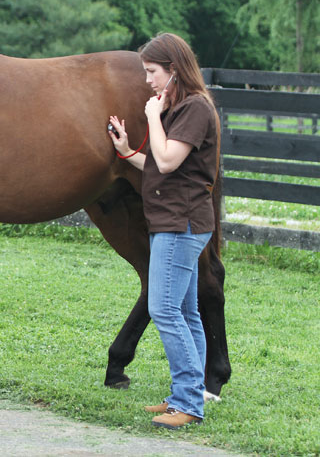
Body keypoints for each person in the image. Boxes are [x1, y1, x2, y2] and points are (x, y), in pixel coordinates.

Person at [108, 32, 219, 430]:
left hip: (180, 224)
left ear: (174, 70)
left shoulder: (194, 109)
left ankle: (188, 402)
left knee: (165, 310)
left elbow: (169, 161)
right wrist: (127, 152)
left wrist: (153, 117)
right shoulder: (182, 108)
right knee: (187, 313)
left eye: (153, 72)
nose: (149, 81)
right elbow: (159, 164)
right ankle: (184, 394)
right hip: (176, 222)